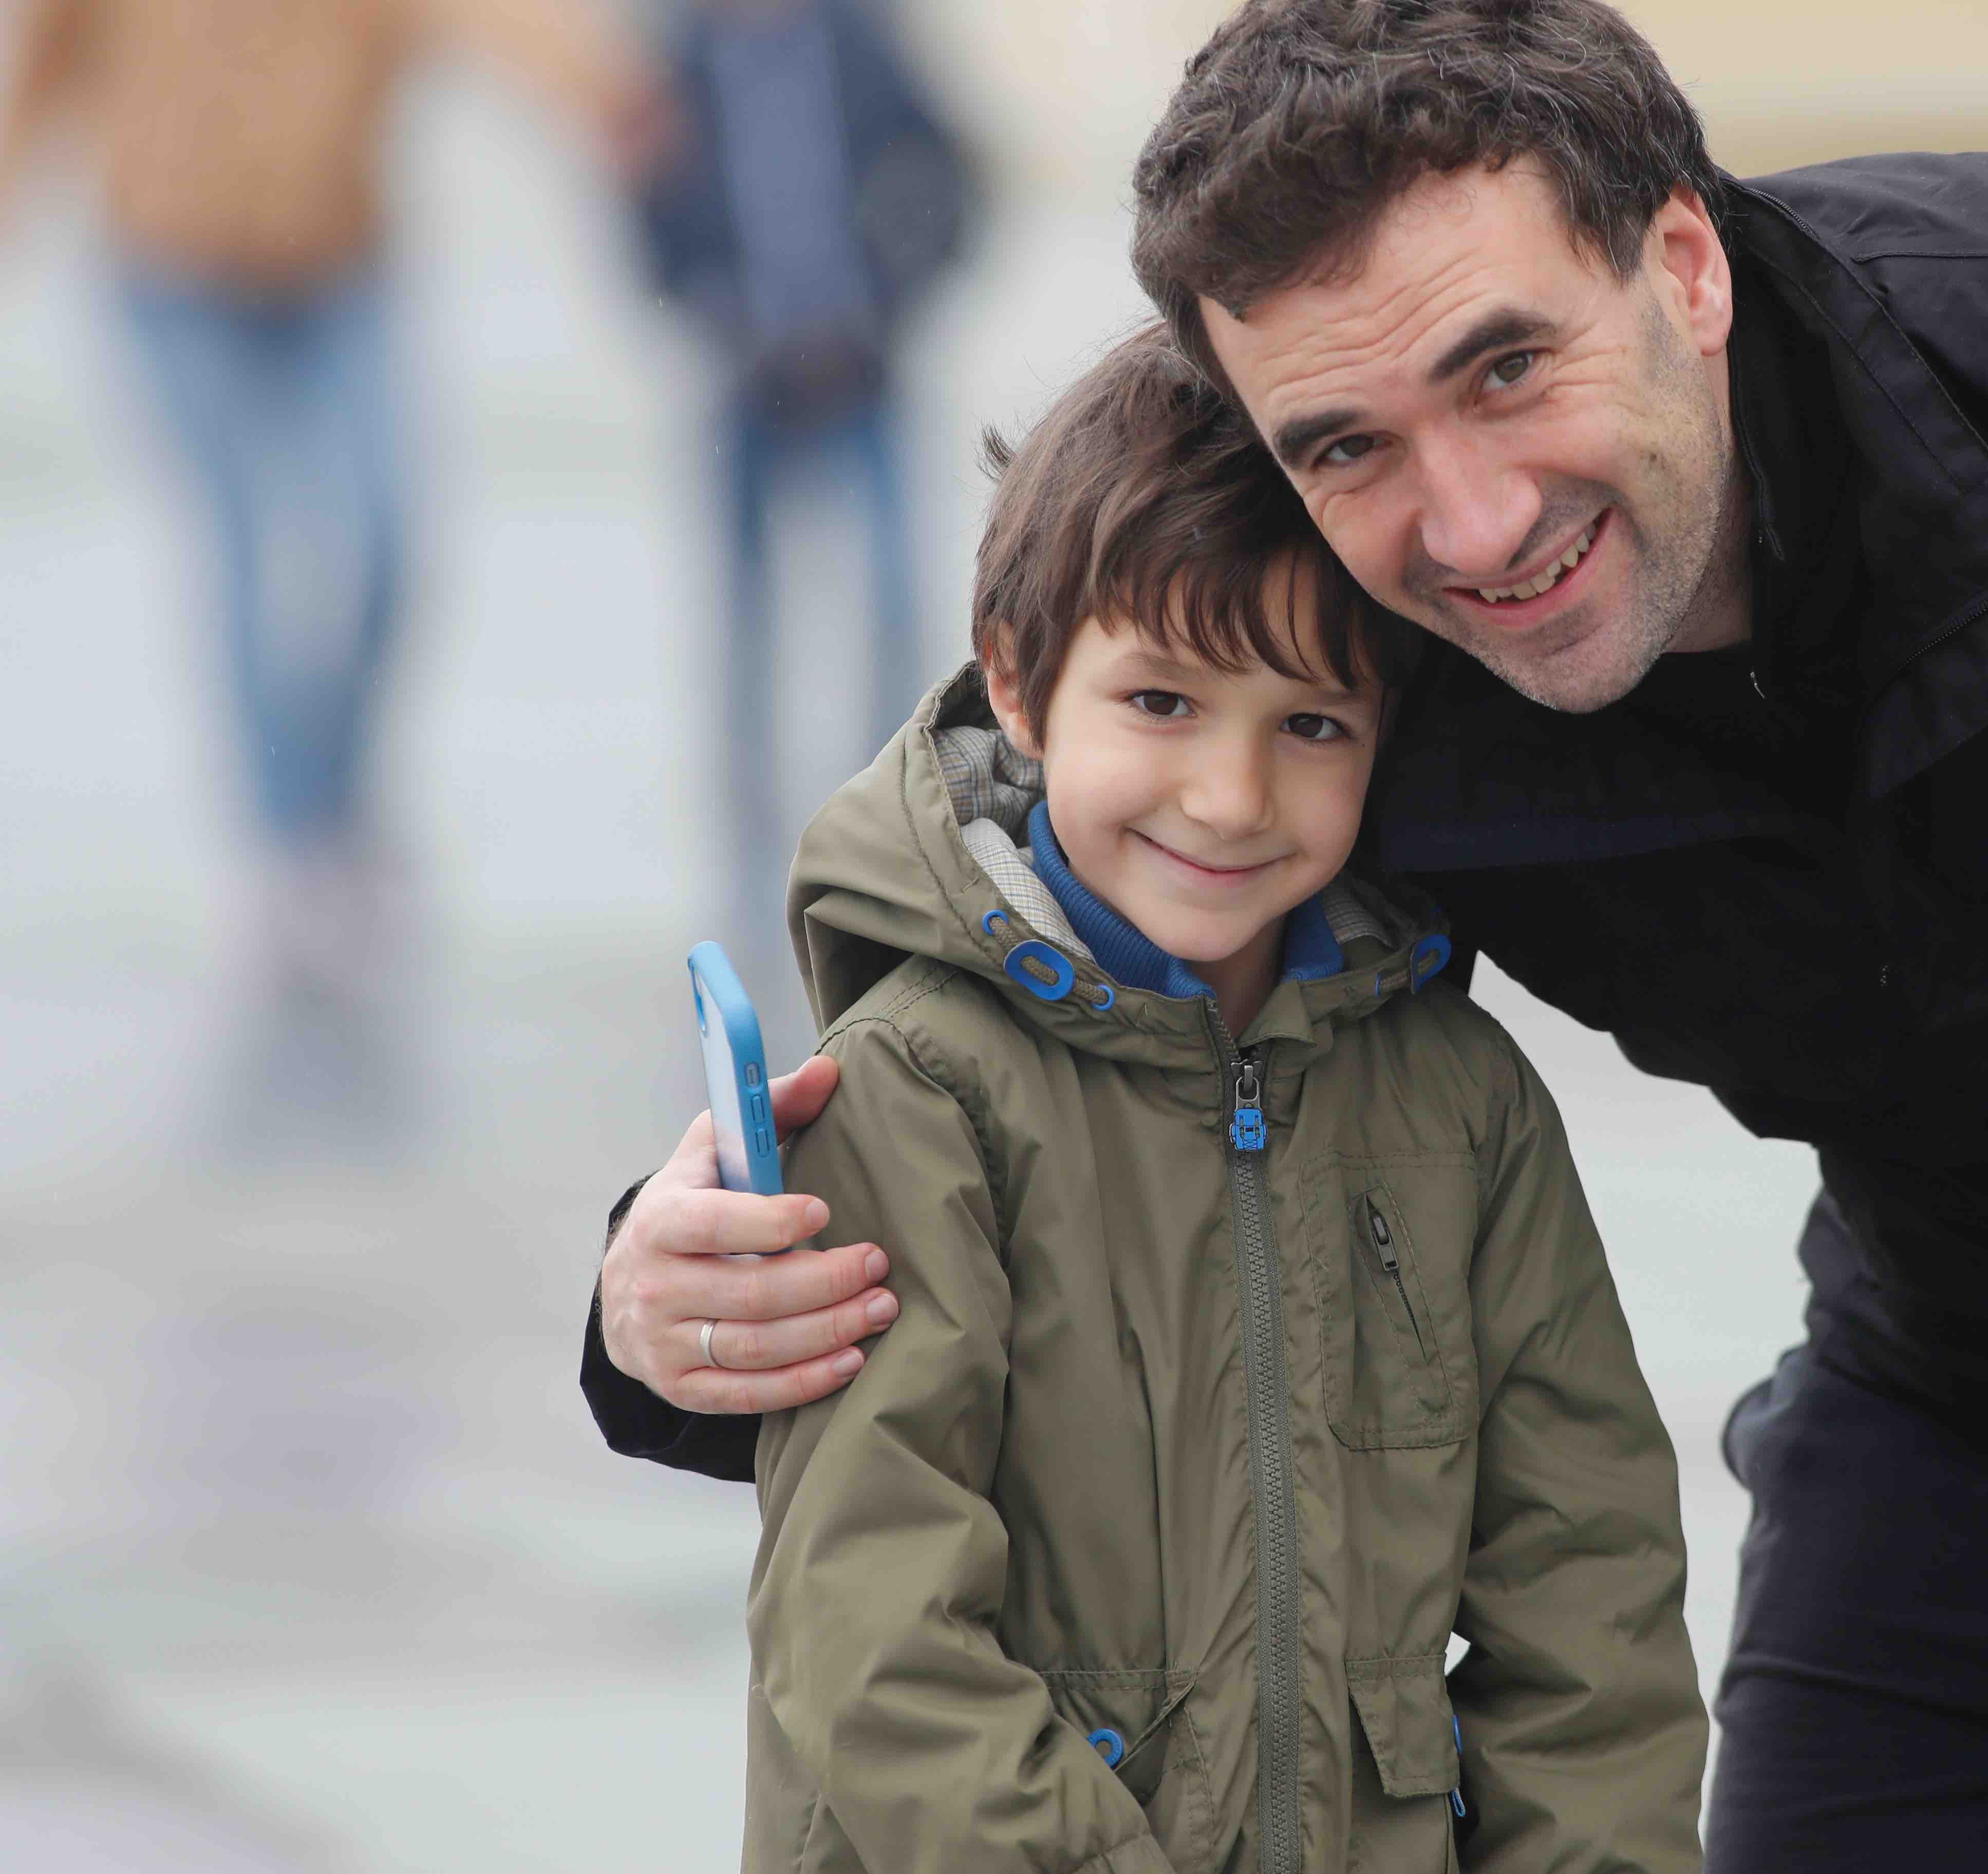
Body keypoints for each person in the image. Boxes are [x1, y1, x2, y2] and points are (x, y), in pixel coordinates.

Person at [591, 1, 1988, 1863]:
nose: (1469, 525)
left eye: (1505, 368)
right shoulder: (1348, 667)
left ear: (1687, 257)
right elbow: (1035, 923)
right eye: (1346, 441)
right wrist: (691, 1288)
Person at [727, 325, 1703, 1872]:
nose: (1231, 798)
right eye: (1163, 704)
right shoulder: (910, 1088)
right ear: (1022, 681)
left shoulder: (1469, 1109)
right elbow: (870, 1629)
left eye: (1311, 724)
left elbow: (1592, 1609)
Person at [0, 0, 665, 1117]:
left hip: (340, 273)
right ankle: (288, 854)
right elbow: (43, 69)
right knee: (259, 564)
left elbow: (491, 19)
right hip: (175, 275)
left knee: (389, 540)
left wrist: (610, 99)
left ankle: (339, 812)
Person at [634, 0, 980, 965]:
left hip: (863, 368)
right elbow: (641, 204)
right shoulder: (678, 60)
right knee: (746, 615)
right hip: (746, 382)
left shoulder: (864, 38)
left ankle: (895, 801)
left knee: (888, 599)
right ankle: (747, 832)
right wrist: (717, 316)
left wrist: (888, 299)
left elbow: (953, 173)